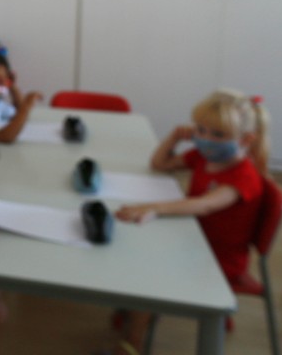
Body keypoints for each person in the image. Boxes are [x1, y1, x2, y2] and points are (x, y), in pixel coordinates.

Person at [105, 90, 270, 354]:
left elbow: (204, 205)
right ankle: (133, 306)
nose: (205, 139)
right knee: (138, 242)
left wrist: (154, 207)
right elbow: (159, 164)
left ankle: (132, 343)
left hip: (218, 258)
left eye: (217, 135)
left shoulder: (243, 177)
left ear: (246, 139)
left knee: (148, 269)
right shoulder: (206, 155)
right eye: (200, 130)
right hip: (193, 236)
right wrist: (173, 137)